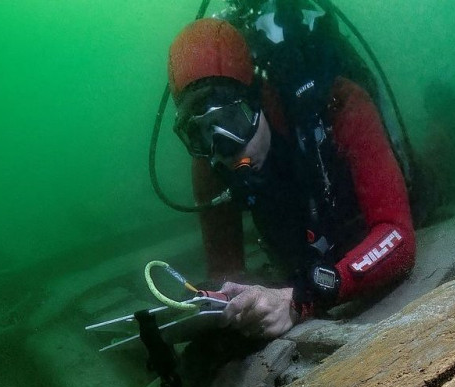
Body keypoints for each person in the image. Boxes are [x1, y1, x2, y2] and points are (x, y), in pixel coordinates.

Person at [167, 16, 415, 340]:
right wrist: (218, 305)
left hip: (359, 224)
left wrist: (302, 299)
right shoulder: (210, 161)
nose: (223, 149)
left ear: (257, 98)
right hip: (306, 251)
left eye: (232, 120)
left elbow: (397, 236)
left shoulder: (338, 103)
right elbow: (226, 272)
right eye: (198, 133)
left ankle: (448, 125)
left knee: (427, 189)